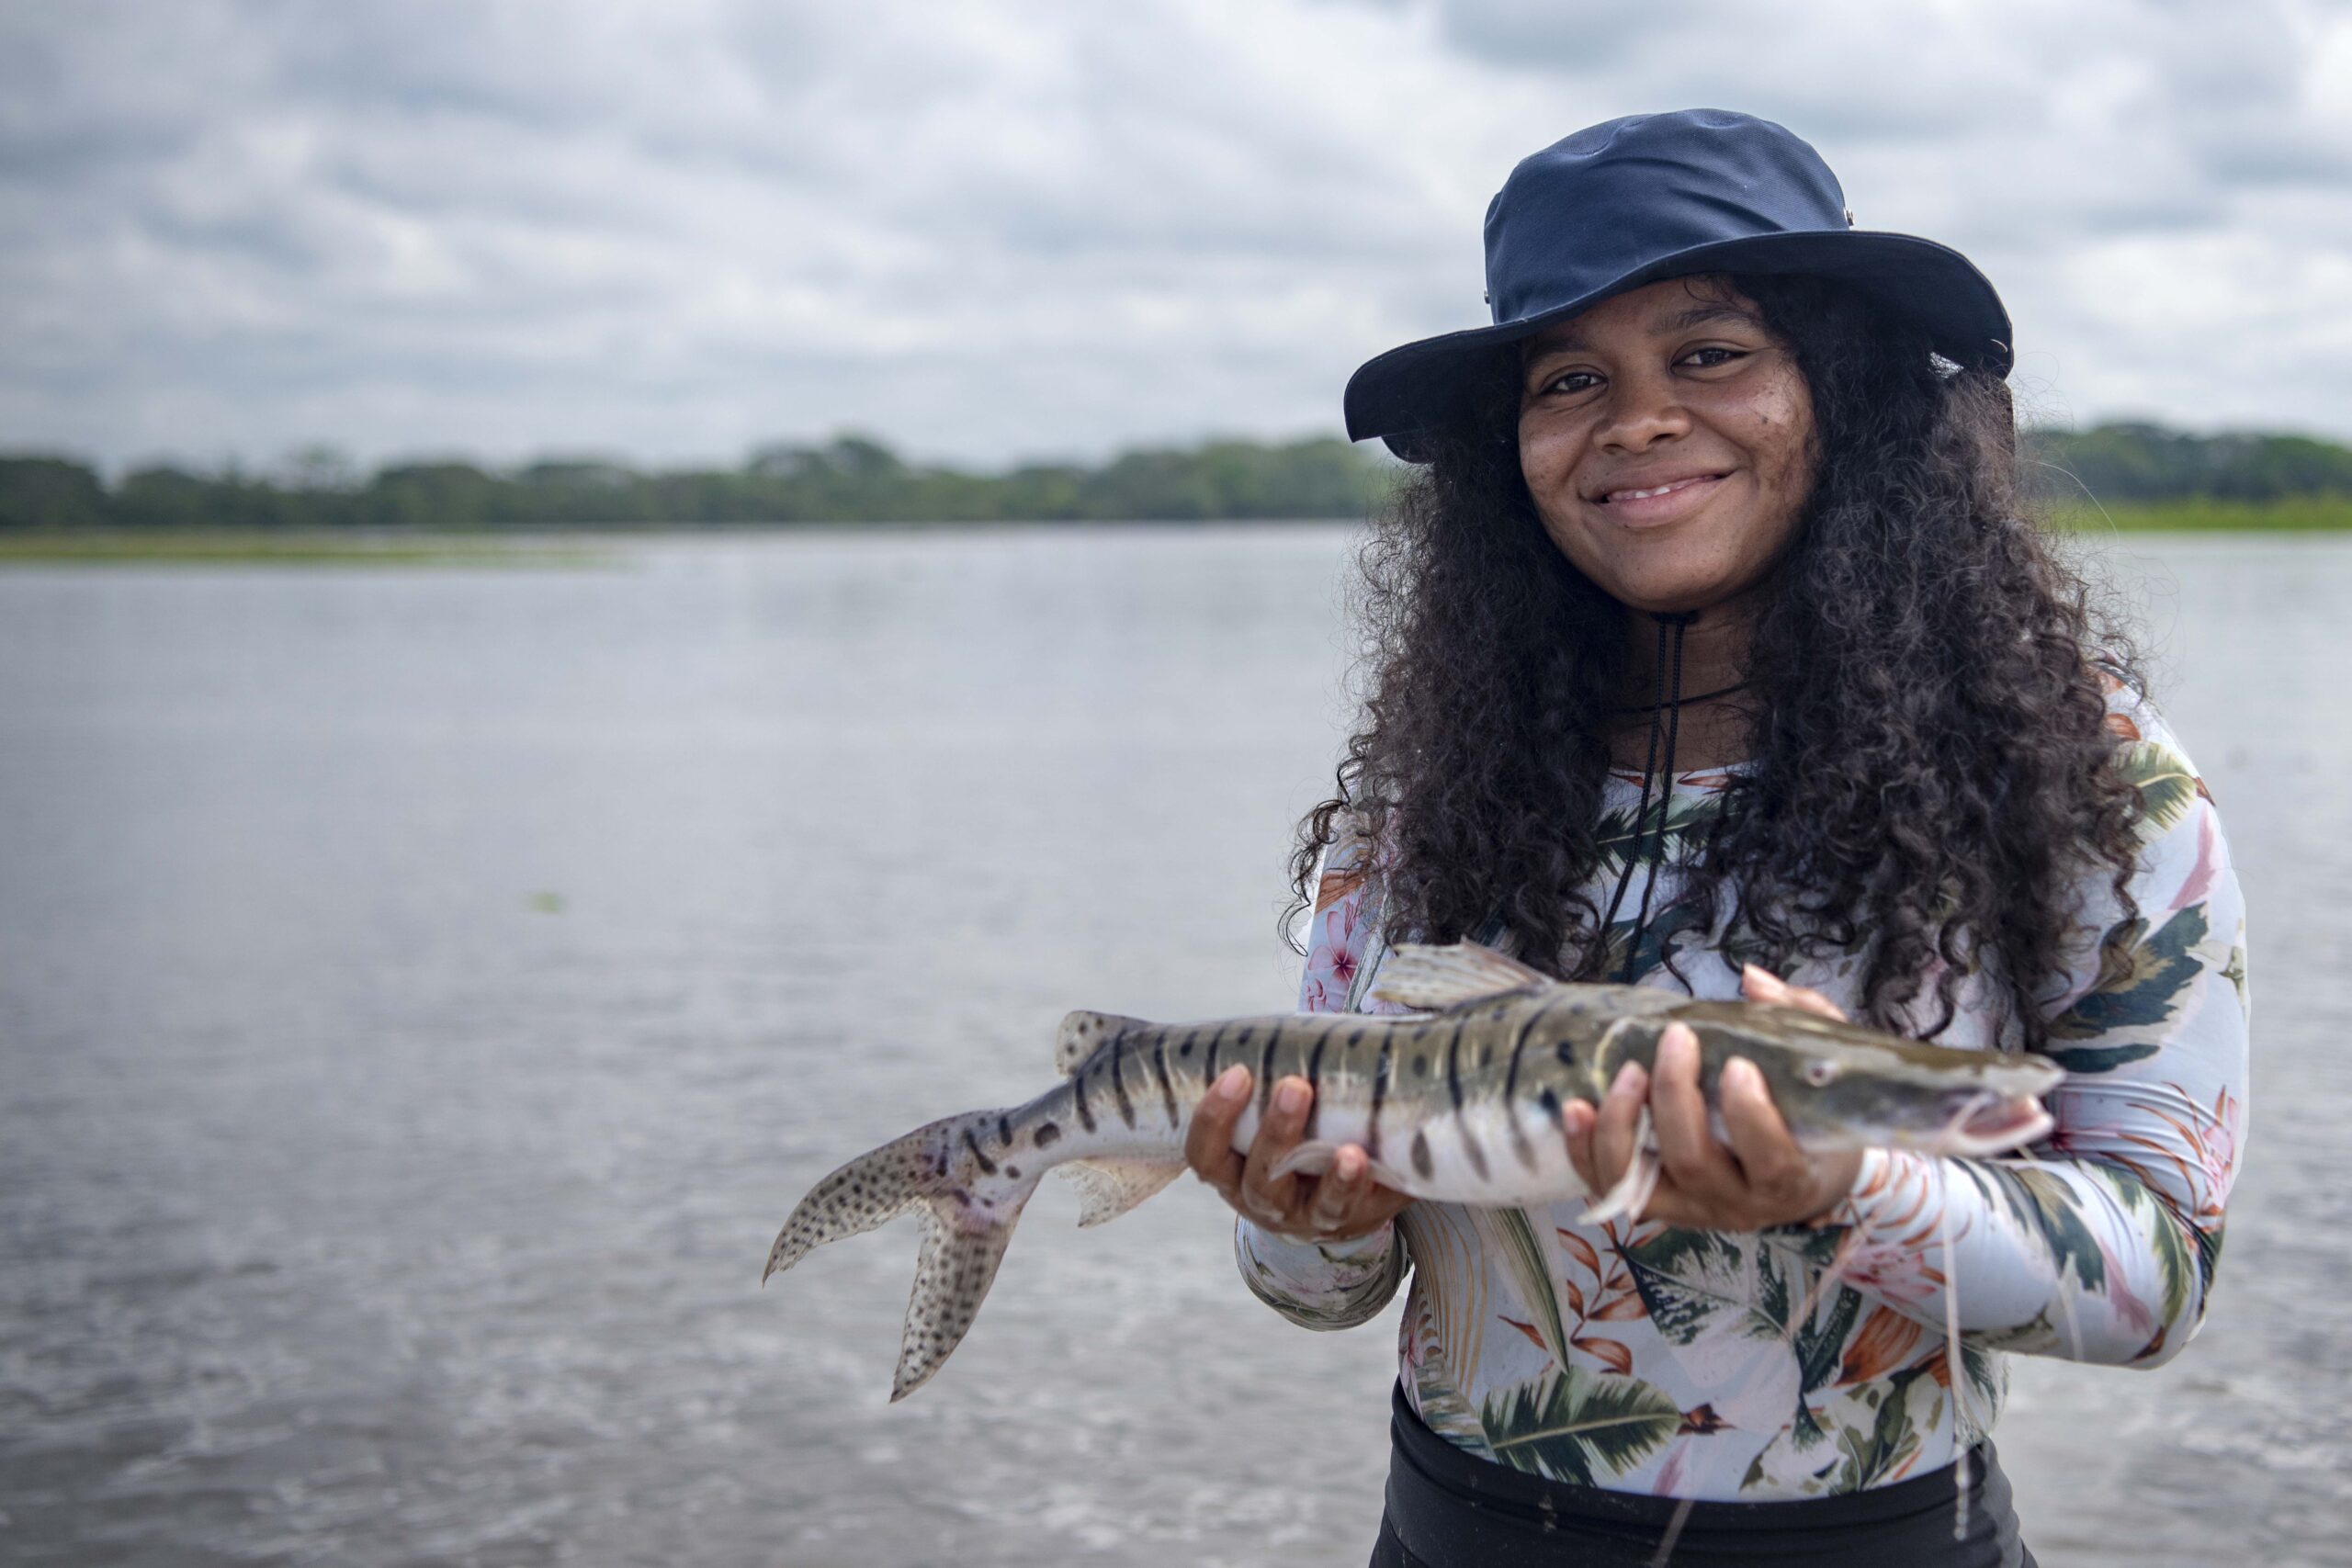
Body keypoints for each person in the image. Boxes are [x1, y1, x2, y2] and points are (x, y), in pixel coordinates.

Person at [1182, 110, 2247, 1568]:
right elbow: (1318, 1292)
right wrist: (1302, 1221)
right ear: (1512, 453)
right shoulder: (1423, 793)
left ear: (1847, 387)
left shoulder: (2090, 777)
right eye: (1571, 380)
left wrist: (1847, 1190)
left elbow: (2158, 1281)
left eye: (1711, 355)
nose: (1636, 422)